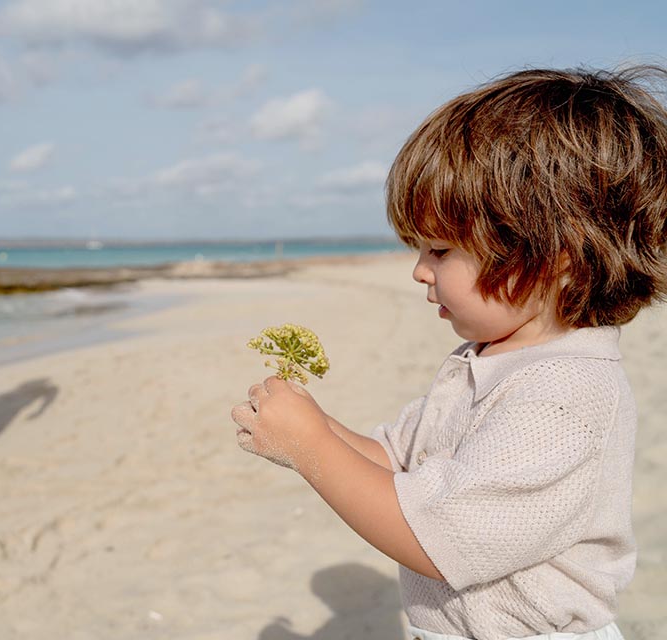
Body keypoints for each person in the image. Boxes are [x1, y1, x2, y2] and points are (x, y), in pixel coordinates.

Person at [231, 66, 667, 640]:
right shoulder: (482, 359)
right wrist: (312, 424)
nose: (419, 271)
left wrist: (310, 447)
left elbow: (435, 540)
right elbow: (396, 464)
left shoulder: (564, 396)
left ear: (556, 257)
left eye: (439, 250)